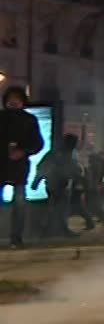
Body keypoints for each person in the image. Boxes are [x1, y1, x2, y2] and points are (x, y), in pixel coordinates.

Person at [0, 87, 43, 248]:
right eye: (10, 98)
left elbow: (38, 143)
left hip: (19, 168)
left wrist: (23, 151)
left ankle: (16, 238)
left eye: (17, 98)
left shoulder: (29, 120)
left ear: (23, 101)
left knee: (19, 203)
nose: (13, 101)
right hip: (1, 165)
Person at [31, 133, 81, 238]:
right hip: (58, 184)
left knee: (56, 208)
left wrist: (37, 181)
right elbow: (73, 169)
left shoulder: (57, 153)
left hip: (55, 184)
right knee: (58, 208)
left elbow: (42, 166)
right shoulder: (65, 154)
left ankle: (50, 229)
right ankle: (52, 229)